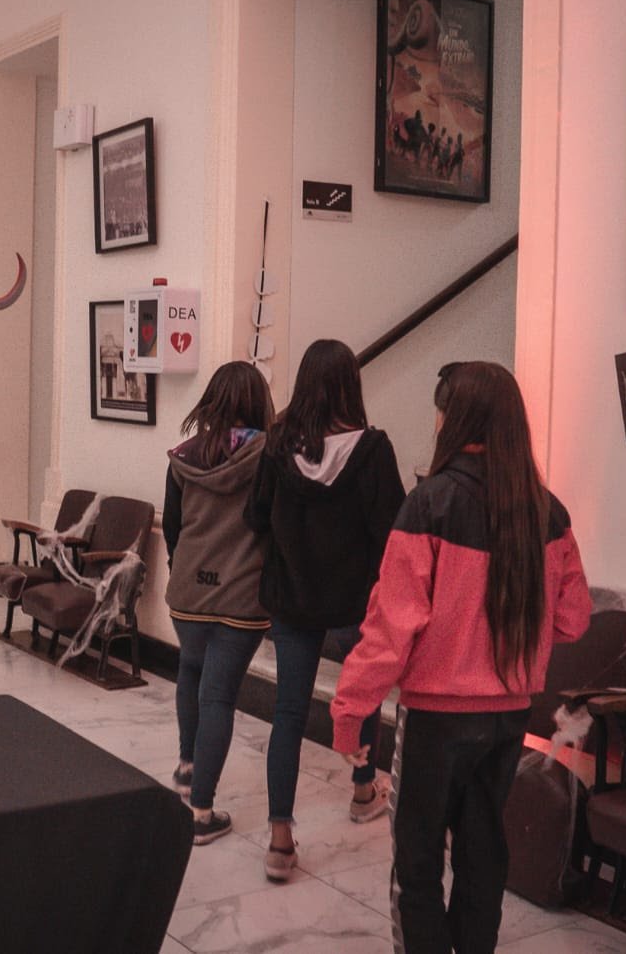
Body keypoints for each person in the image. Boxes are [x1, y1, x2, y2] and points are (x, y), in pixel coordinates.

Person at [330, 361, 592, 954]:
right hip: (509, 717)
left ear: (455, 418)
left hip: (436, 717)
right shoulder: (548, 512)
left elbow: (390, 629)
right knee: (482, 852)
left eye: (440, 410)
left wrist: (350, 712)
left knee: (417, 859)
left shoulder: (430, 505)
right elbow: (574, 618)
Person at [244, 339, 406, 883]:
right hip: (355, 599)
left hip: (292, 598)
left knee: (289, 713)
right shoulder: (373, 450)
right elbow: (392, 532)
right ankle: (363, 790)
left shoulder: (276, 447)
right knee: (363, 695)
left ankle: (279, 839)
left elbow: (255, 517)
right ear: (350, 386)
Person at [163, 361, 275, 846]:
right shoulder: (268, 457)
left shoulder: (184, 456)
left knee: (190, 674)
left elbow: (172, 527)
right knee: (219, 698)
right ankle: (201, 812)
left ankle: (188, 768)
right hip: (241, 597)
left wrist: (183, 570)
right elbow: (273, 523)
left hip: (188, 593)